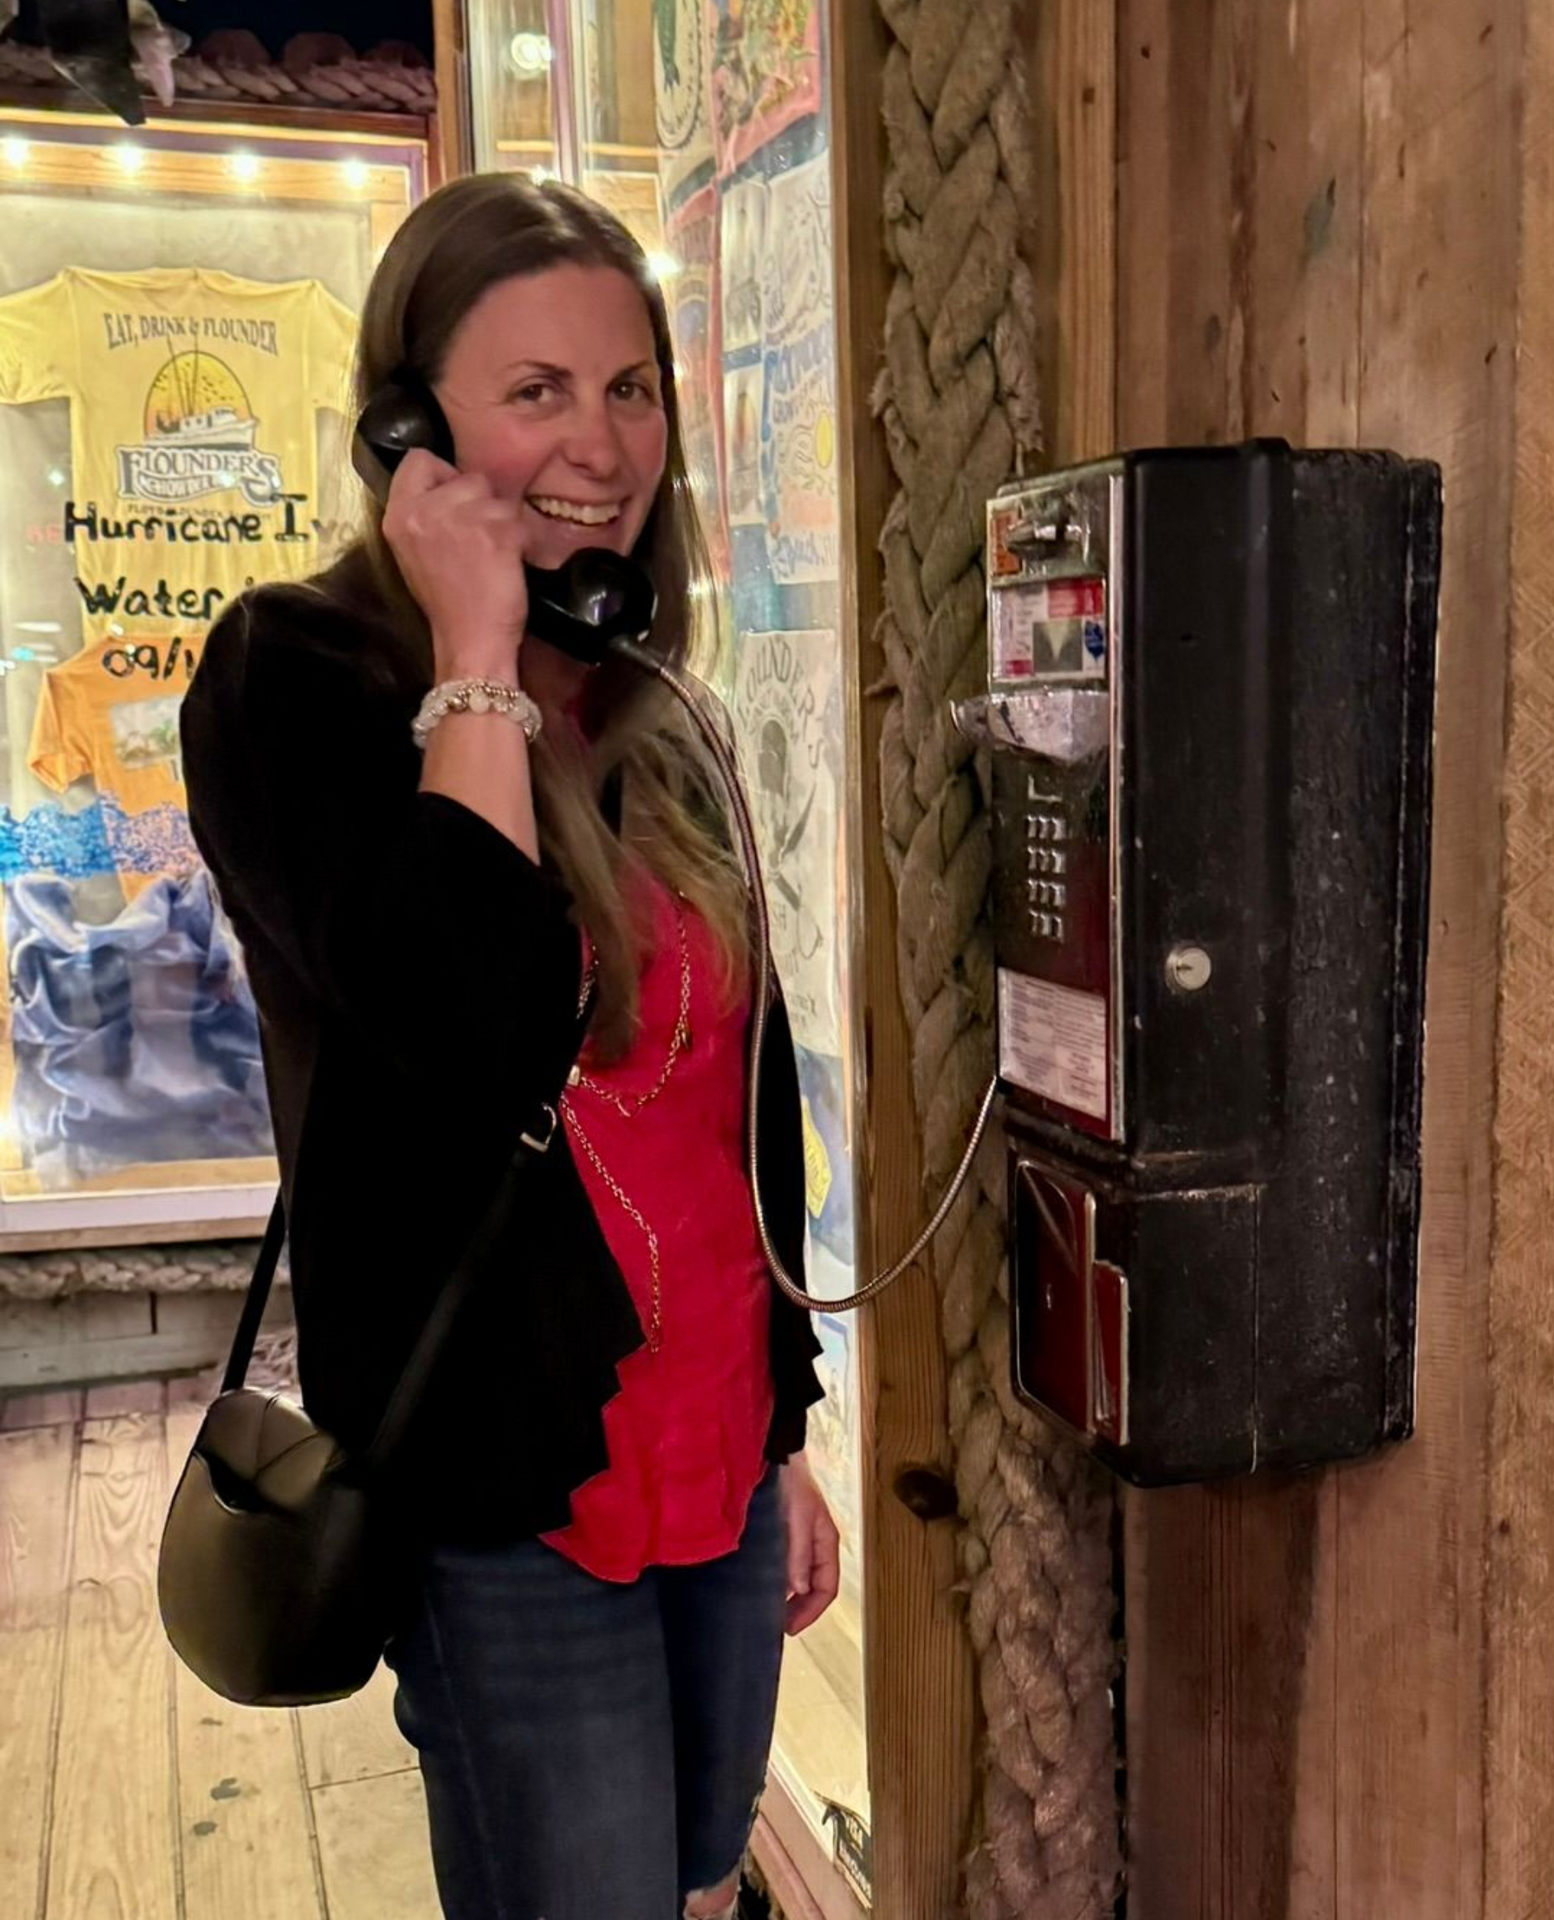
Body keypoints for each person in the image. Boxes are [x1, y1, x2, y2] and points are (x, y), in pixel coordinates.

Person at [180, 173, 838, 1920]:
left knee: (702, 1873)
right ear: (413, 426)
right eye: (533, 392)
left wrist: (784, 1429)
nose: (602, 444)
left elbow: (733, 1106)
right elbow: (468, 1017)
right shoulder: (292, 679)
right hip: (506, 1473)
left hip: (707, 1420)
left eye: (629, 389)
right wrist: (471, 648)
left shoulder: (647, 703)